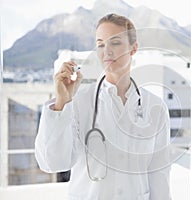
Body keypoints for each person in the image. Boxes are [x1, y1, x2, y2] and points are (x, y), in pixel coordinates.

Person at [35, 13, 171, 200]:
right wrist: (61, 103)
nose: (106, 51)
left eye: (115, 43)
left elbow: (159, 177)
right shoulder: (78, 102)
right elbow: (53, 163)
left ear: (133, 48)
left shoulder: (156, 107)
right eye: (100, 44)